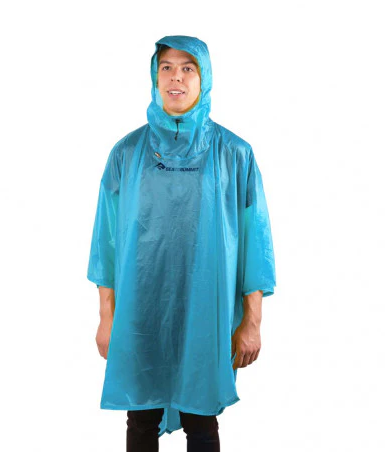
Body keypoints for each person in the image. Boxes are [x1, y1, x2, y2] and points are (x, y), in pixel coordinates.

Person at [87, 35, 276, 452]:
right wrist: (106, 317)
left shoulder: (234, 154)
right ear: (155, 78)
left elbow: (255, 243)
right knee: (141, 418)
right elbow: (107, 243)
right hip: (141, 314)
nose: (176, 78)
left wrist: (252, 321)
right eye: (167, 68)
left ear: (204, 79)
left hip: (207, 312)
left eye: (188, 68)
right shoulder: (127, 154)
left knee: (201, 419)